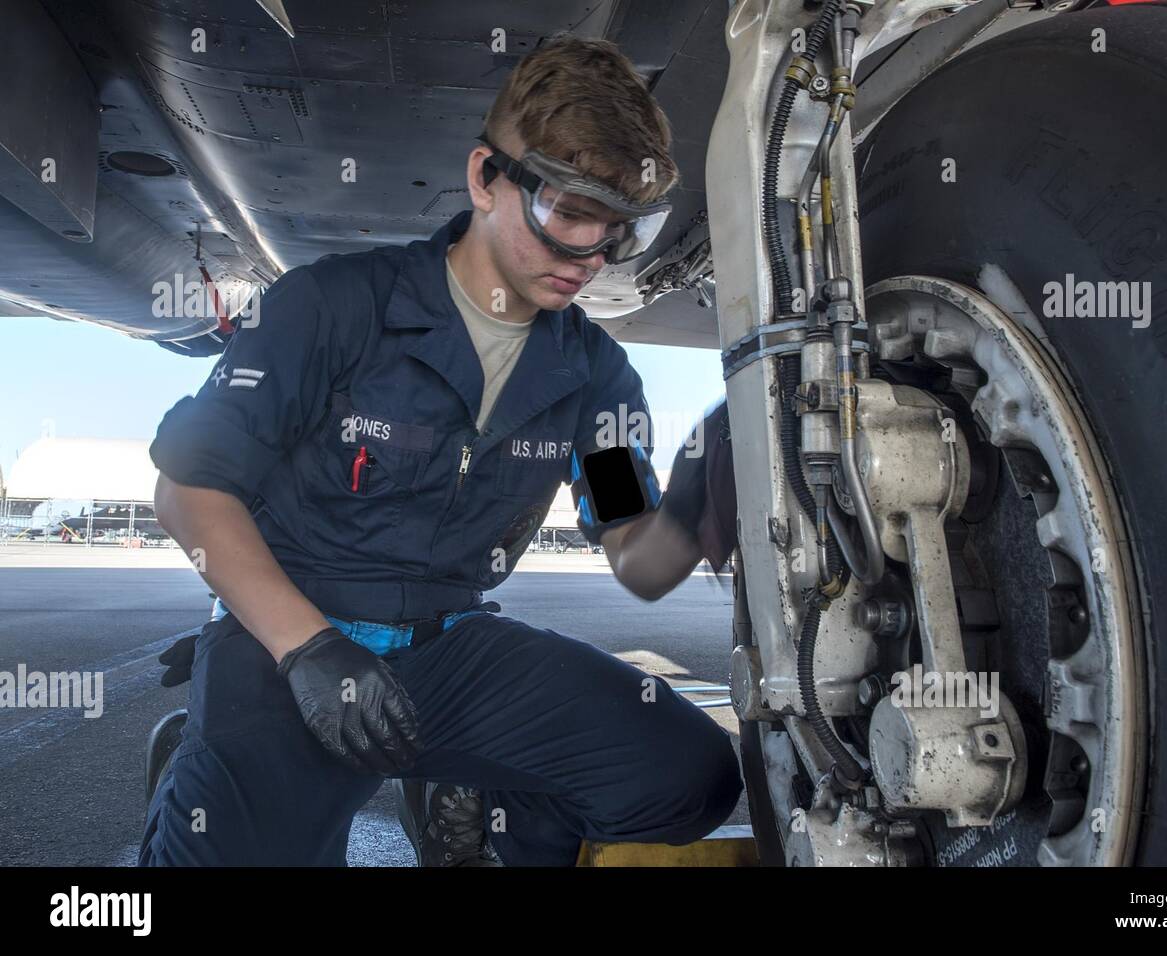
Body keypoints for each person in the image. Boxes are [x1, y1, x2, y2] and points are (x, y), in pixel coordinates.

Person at [138, 36, 741, 867]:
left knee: (688, 775)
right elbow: (187, 493)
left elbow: (635, 554)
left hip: (451, 654)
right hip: (291, 648)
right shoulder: (332, 307)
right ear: (486, 179)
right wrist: (308, 649)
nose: (590, 258)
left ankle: (486, 809)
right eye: (569, 214)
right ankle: (188, 768)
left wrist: (703, 492)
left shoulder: (594, 375)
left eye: (616, 232)